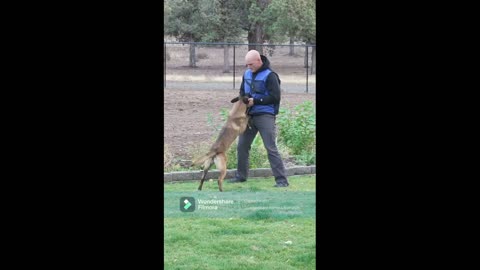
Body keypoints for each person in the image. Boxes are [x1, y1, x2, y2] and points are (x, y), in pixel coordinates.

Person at [228, 49, 289, 187]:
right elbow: (242, 91)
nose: (249, 67)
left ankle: (281, 181)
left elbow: (275, 97)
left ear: (259, 61)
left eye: (251, 64)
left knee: (270, 148)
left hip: (265, 115)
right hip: (249, 116)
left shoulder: (271, 76)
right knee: (242, 146)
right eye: (247, 65)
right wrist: (243, 100)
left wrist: (256, 101)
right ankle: (241, 176)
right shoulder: (247, 74)